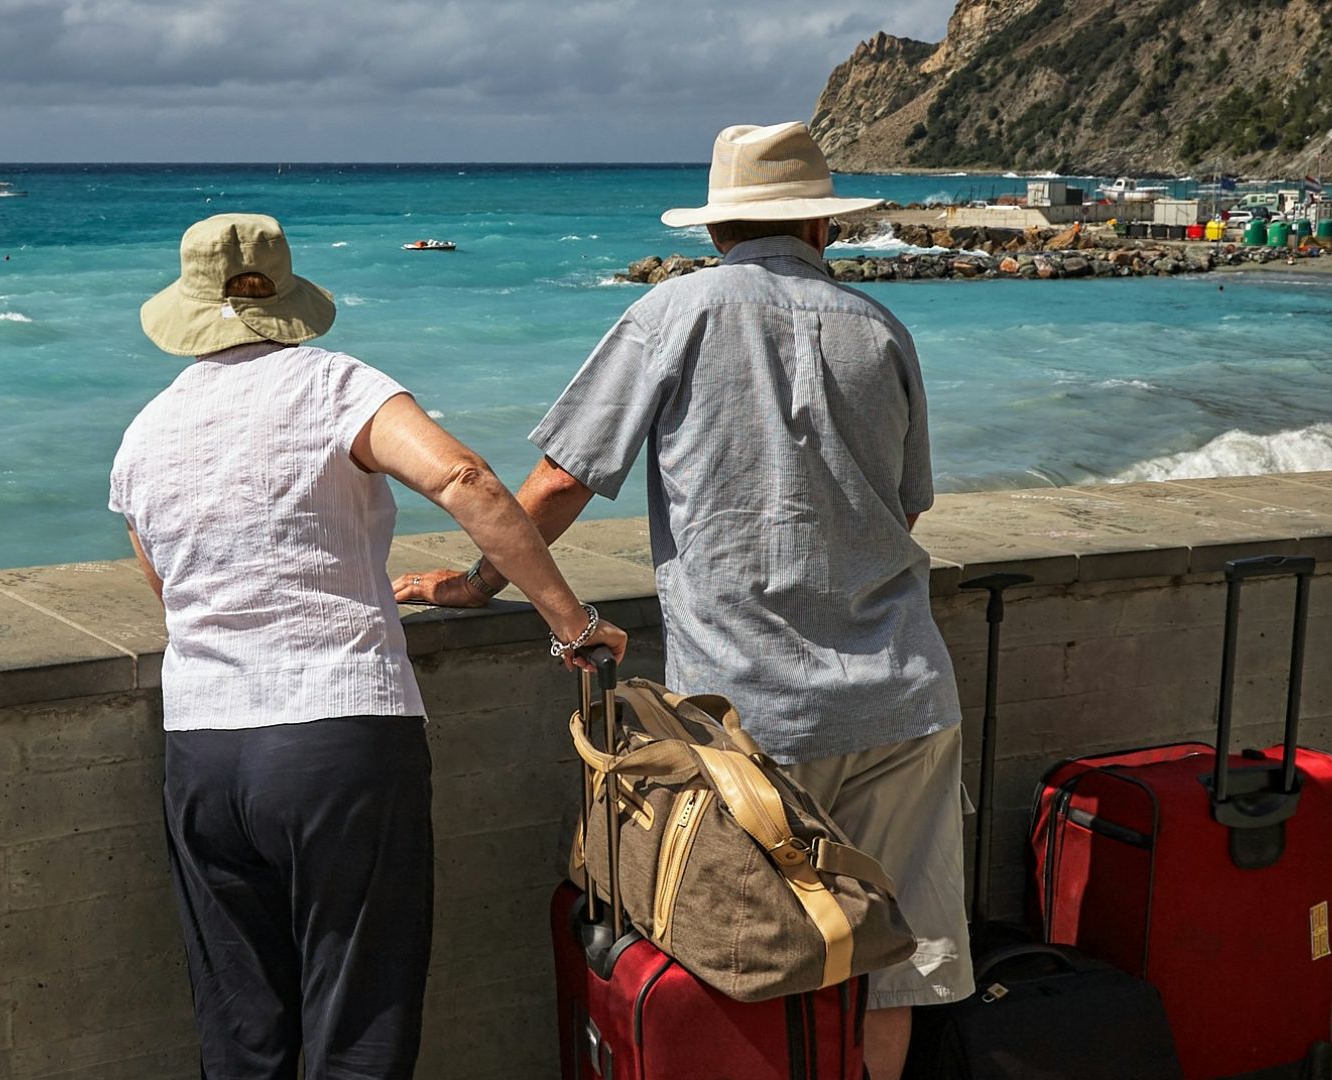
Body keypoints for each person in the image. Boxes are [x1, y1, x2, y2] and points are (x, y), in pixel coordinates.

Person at [395, 123, 966, 1079]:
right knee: (895, 963)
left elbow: (560, 481)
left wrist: (479, 581)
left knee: (745, 966)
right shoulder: (880, 327)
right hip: (903, 698)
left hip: (747, 721)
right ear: (822, 228)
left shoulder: (673, 314)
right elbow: (907, 502)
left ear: (715, 232)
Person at [112, 213, 626, 1080]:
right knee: (357, 1029)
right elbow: (463, 478)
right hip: (339, 737)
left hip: (201, 751)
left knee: (241, 1036)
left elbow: (173, 594)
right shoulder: (337, 387)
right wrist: (570, 622)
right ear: (288, 297)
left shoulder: (144, 436)